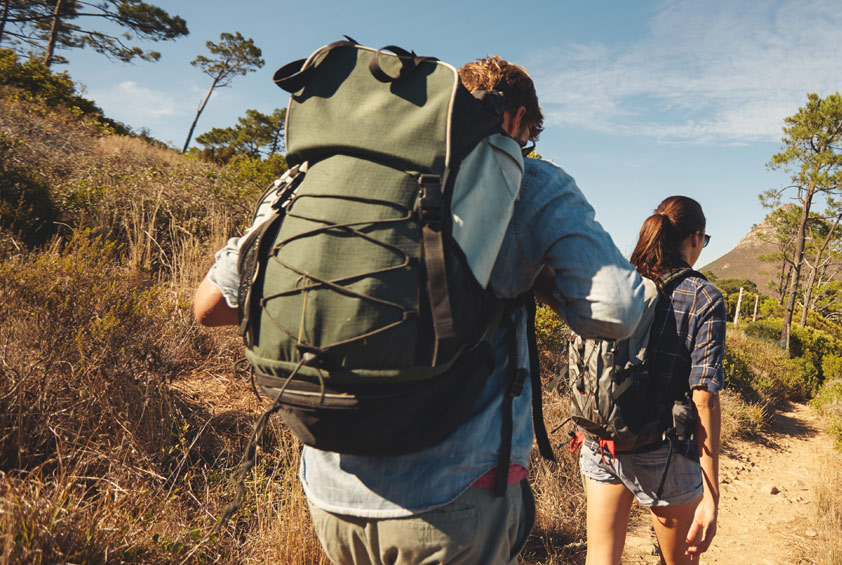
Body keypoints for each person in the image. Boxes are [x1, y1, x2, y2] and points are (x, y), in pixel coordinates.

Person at [193, 55, 647, 565]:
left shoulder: (318, 171)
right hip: (455, 501)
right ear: (517, 119)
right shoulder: (529, 180)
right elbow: (617, 311)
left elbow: (210, 306)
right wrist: (535, 280)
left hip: (329, 493)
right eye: (528, 136)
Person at [579, 196, 725, 565]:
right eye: (704, 242)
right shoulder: (704, 297)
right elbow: (704, 397)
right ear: (695, 237)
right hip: (664, 450)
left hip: (602, 441)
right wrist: (712, 494)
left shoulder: (622, 280)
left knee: (601, 557)